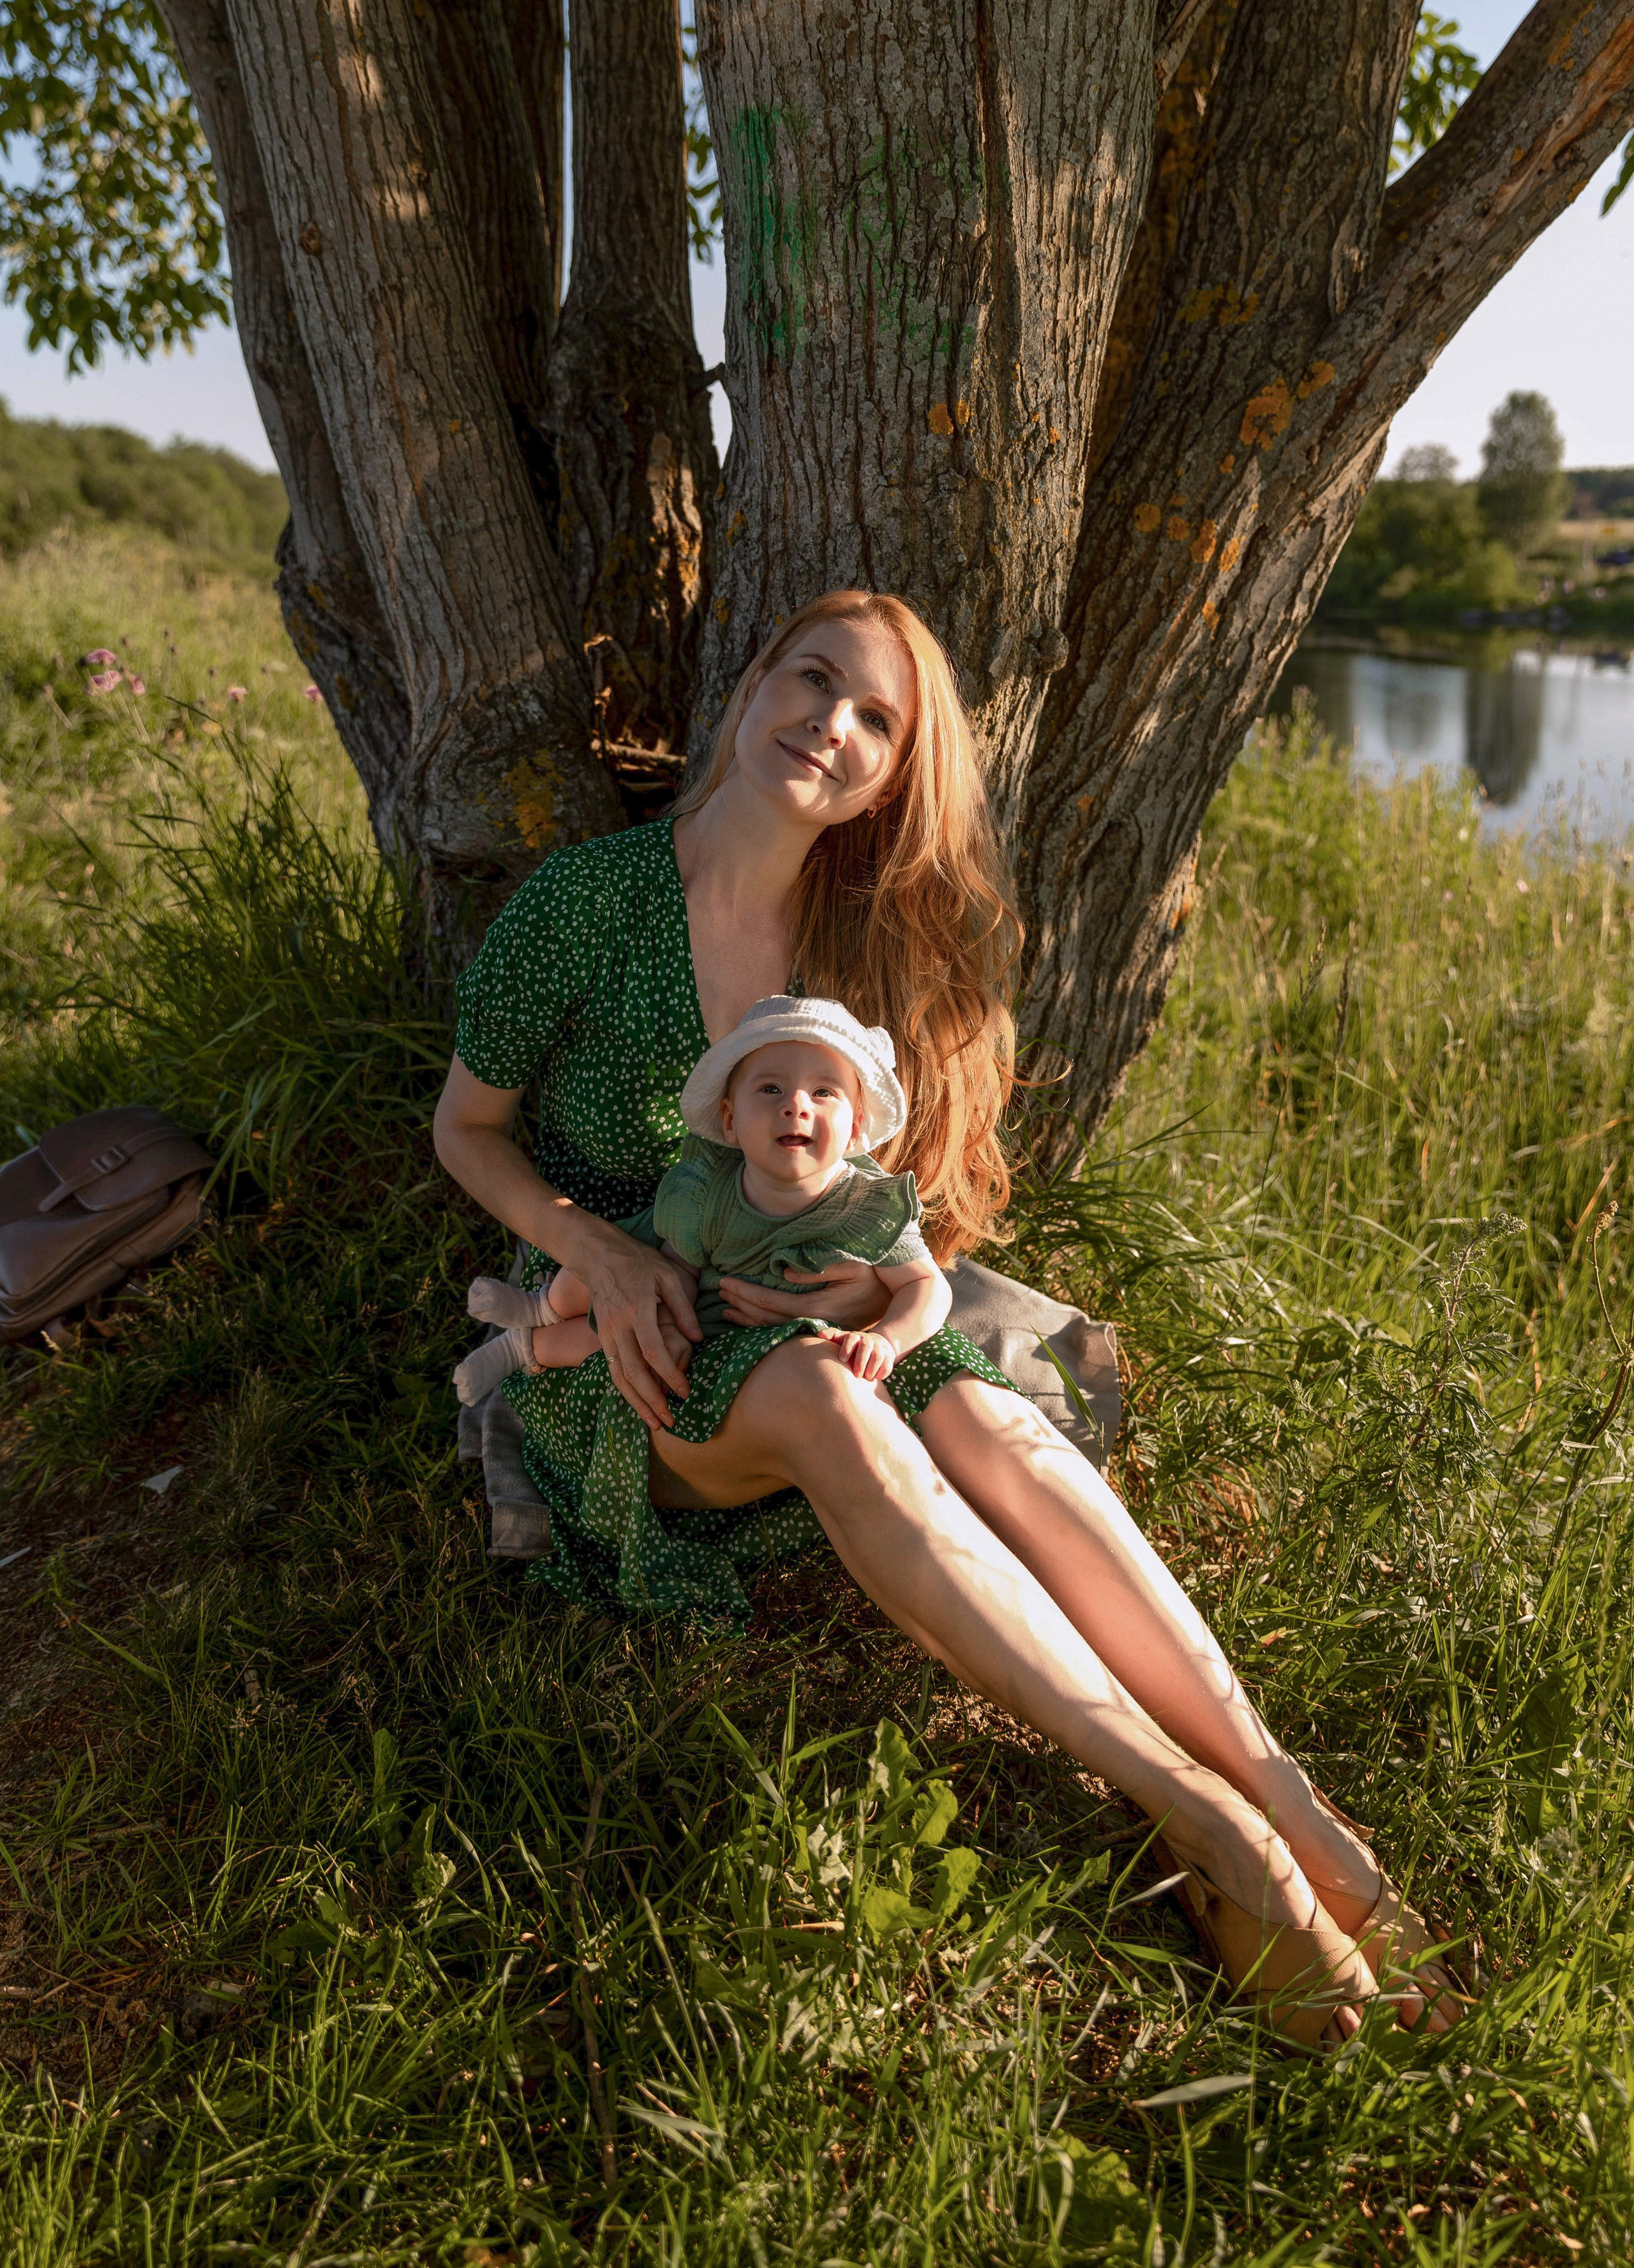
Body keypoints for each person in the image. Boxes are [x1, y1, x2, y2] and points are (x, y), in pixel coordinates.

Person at [433, 588, 1463, 2046]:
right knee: (831, 1406)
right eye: (812, 680)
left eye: (875, 721)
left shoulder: (854, 943)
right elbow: (462, 1128)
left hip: (831, 1314)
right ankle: (1202, 1826)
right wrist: (594, 1248)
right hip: (635, 1350)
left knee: (987, 1415)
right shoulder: (587, 902)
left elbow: (891, 1201)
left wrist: (878, 1288)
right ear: (747, 690)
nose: (830, 725)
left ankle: (1287, 1798)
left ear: (889, 777)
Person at [452, 995, 950, 1400]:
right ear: (730, 1121)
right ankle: (540, 1305)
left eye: (824, 1093)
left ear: (857, 1126)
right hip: (698, 1305)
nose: (797, 1106)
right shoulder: (711, 1193)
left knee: (601, 1343)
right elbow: (678, 1268)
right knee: (613, 1287)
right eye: (772, 1089)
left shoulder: (866, 1208)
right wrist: (667, 1317)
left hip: (751, 1345)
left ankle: (524, 1348)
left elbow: (928, 1287)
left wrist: (887, 1337)